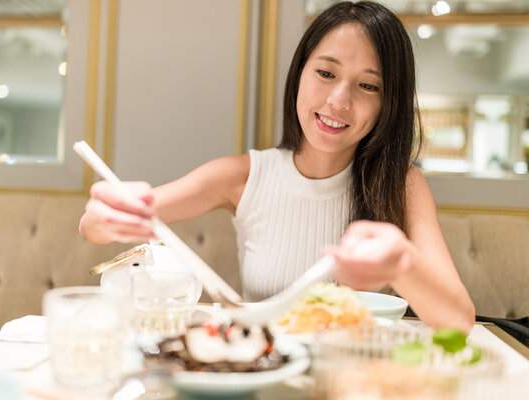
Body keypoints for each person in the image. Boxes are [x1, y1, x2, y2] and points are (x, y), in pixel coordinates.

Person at [79, 1, 475, 332]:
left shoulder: (402, 186)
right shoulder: (243, 176)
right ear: (299, 74)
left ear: (389, 102)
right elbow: (96, 226)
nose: (339, 101)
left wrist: (403, 263)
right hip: (262, 373)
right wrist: (105, 215)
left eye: (367, 86)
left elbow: (458, 320)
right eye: (325, 73)